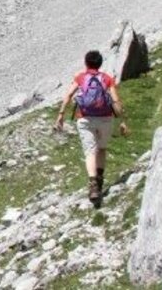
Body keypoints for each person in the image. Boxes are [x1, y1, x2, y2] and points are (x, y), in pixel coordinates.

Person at [55, 50, 129, 208]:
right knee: (101, 149)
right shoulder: (107, 78)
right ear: (100, 63)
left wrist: (61, 115)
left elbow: (68, 95)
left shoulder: (81, 77)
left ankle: (93, 186)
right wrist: (123, 121)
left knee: (90, 151)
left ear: (86, 63)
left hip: (85, 118)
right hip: (105, 119)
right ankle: (99, 180)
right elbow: (116, 100)